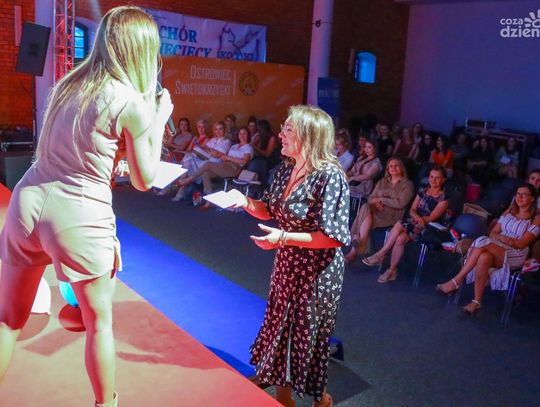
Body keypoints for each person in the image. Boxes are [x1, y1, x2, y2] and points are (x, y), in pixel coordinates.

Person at [0, 6, 172, 407]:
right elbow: (145, 179)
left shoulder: (70, 84)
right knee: (99, 325)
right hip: (77, 213)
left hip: (28, 201)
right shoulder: (131, 102)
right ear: (144, 50)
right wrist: (159, 117)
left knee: (7, 320)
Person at [235, 105, 350, 407]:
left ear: (308, 135)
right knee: (280, 325)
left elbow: (333, 237)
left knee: (307, 333)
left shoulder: (330, 176)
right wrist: (244, 201)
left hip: (317, 272)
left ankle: (321, 399)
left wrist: (283, 237)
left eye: (288, 129)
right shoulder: (287, 168)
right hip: (287, 262)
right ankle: (283, 396)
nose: (281, 134)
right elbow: (270, 209)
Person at [436, 183, 540, 315]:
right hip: (496, 247)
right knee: (484, 257)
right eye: (518, 194)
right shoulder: (509, 212)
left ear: (532, 198)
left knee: (481, 241)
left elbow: (521, 244)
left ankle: (457, 280)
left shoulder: (536, 219)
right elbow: (492, 233)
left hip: (515, 254)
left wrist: (502, 238)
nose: (519, 197)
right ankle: (476, 302)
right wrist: (506, 239)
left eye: (524, 195)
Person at [362, 166, 448, 283]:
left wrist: (417, 219)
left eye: (437, 178)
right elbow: (412, 210)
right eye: (431, 177)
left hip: (428, 228)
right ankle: (392, 271)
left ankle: (381, 253)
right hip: (413, 223)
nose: (433, 180)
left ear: (443, 180)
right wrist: (416, 217)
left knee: (400, 223)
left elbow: (431, 217)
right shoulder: (422, 190)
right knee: (400, 239)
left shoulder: (443, 199)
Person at [345, 157, 414, 263]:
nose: (393, 168)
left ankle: (354, 250)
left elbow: (401, 203)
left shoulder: (408, 184)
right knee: (365, 207)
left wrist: (381, 199)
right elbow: (370, 198)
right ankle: (362, 241)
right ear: (387, 169)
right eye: (390, 166)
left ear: (402, 168)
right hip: (377, 211)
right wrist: (376, 203)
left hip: (392, 215)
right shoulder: (382, 181)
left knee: (363, 215)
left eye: (396, 165)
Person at [176, 126, 254, 206]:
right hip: (224, 165)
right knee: (206, 173)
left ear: (248, 135)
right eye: (240, 134)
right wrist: (220, 156)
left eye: (244, 134)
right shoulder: (234, 146)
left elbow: (244, 161)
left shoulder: (248, 147)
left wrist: (228, 158)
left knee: (208, 164)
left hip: (234, 168)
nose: (242, 136)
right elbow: (224, 157)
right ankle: (209, 200)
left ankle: (188, 179)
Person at [172, 121, 231, 201]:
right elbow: (205, 149)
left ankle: (179, 185)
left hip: (214, 164)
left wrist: (209, 150)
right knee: (189, 158)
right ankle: (180, 186)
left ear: (224, 130)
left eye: (220, 129)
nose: (218, 131)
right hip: (205, 159)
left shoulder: (226, 141)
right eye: (216, 129)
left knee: (189, 160)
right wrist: (210, 150)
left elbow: (217, 155)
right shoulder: (213, 139)